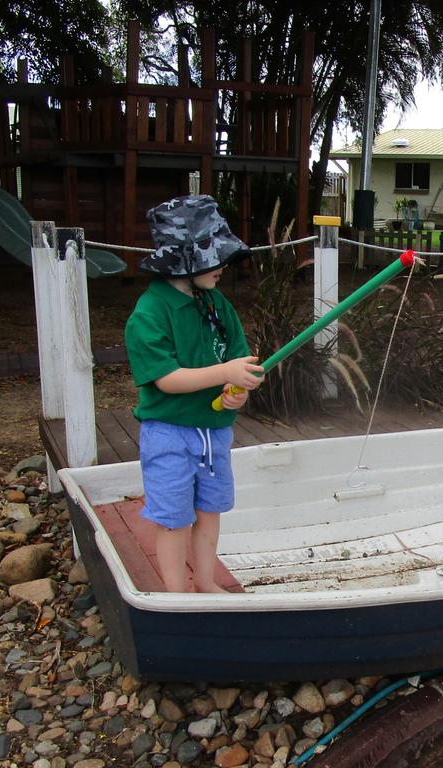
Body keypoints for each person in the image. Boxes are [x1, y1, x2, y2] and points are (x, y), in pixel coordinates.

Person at [124, 195, 265, 593]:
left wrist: (237, 391)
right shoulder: (149, 314)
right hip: (170, 432)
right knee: (173, 517)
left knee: (209, 511)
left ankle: (205, 582)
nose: (222, 267)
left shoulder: (218, 305)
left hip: (214, 432)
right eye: (213, 257)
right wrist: (225, 372)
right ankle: (176, 591)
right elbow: (165, 378)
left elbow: (238, 362)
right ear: (184, 262)